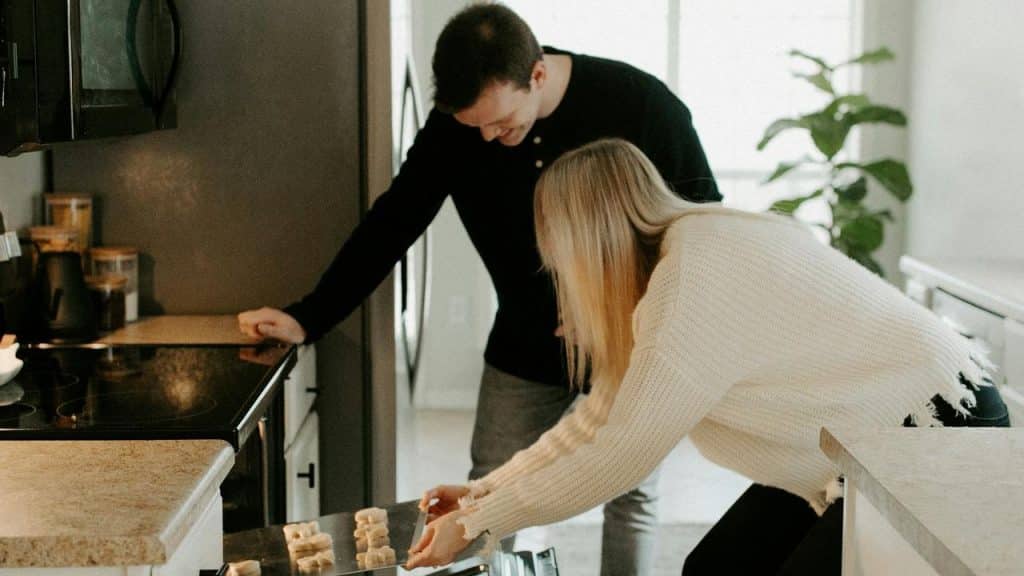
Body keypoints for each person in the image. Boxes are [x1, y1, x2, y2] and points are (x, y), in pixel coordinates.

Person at [238, 4, 719, 574]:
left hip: (629, 335)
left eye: (502, 122)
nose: (490, 138)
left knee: (632, 490)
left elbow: (699, 226)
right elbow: (394, 221)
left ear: (536, 75)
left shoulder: (641, 104)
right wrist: (308, 316)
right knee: (488, 489)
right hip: (523, 340)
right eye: (476, 128)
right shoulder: (460, 127)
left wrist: (637, 303)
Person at [405, 139, 1010, 574]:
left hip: (935, 428)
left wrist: (481, 522)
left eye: (558, 256)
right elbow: (594, 425)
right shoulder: (677, 264)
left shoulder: (693, 279)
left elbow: (619, 456)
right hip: (862, 444)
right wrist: (483, 495)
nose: (557, 272)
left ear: (586, 242)